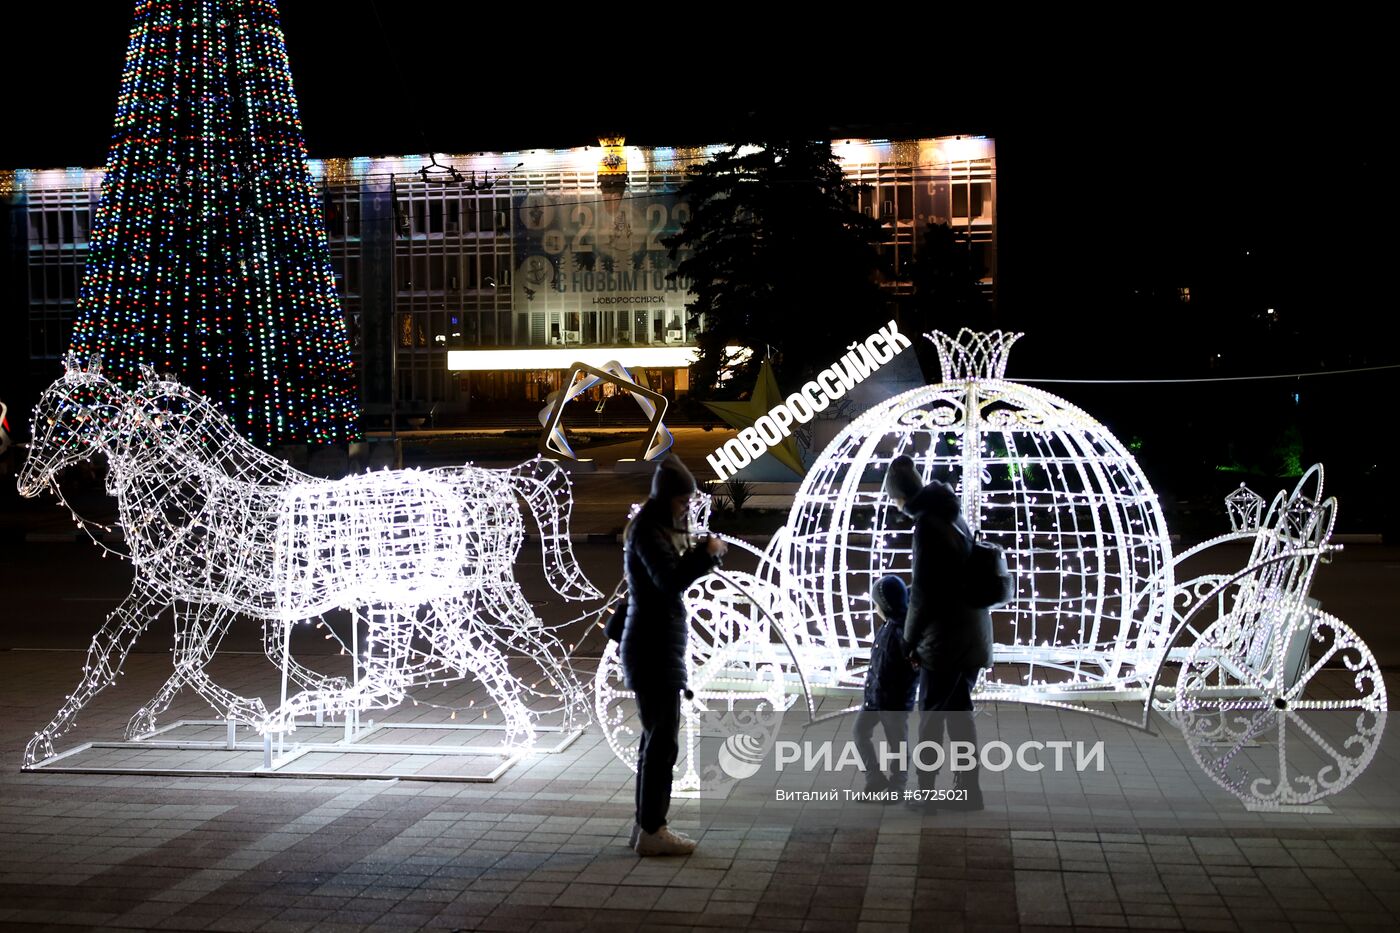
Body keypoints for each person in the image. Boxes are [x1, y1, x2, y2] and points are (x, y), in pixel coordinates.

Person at [621, 453, 727, 855]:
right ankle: (653, 830)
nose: (686, 508)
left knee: (656, 740)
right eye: (682, 501)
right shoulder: (648, 531)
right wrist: (705, 556)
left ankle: (645, 826)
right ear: (666, 498)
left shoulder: (653, 530)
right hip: (651, 650)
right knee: (662, 742)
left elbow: (668, 576)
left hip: (654, 647)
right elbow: (669, 582)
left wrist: (701, 554)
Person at [882, 455, 992, 810]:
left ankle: (927, 793)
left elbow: (924, 593)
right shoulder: (951, 513)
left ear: (901, 497)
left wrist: (908, 640)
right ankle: (968, 791)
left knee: (930, 718)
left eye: (892, 499)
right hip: (971, 631)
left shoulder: (927, 525)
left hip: (946, 640)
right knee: (959, 715)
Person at [851, 574, 917, 795]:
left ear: (886, 606)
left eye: (876, 604)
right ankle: (875, 779)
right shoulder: (890, 623)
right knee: (860, 732)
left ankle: (898, 784)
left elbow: (914, 664)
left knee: (897, 743)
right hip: (874, 697)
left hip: (894, 700)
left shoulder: (903, 631)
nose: (874, 608)